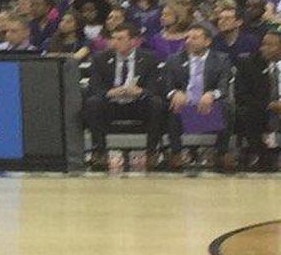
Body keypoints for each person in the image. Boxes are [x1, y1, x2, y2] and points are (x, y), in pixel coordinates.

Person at [83, 24, 165, 171]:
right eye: (113, 38)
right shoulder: (100, 58)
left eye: (120, 39)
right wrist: (110, 93)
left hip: (138, 104)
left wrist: (140, 91)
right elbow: (94, 86)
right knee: (92, 103)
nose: (115, 42)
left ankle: (152, 151)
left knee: (156, 103)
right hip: (112, 104)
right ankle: (100, 151)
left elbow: (154, 88)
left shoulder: (149, 58)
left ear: (133, 41)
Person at [163, 27, 235, 171]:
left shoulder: (221, 59)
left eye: (194, 38)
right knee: (172, 106)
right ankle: (176, 152)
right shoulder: (174, 60)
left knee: (227, 107)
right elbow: (166, 87)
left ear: (207, 41)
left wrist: (211, 95)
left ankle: (222, 152)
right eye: (187, 38)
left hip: (208, 109)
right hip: (184, 109)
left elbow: (223, 88)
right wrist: (174, 93)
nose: (189, 41)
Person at [235, 31, 281, 171]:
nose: (263, 48)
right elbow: (241, 94)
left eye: (270, 45)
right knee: (248, 113)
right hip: (261, 109)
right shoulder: (248, 64)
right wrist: (269, 105)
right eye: (263, 44)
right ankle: (262, 157)